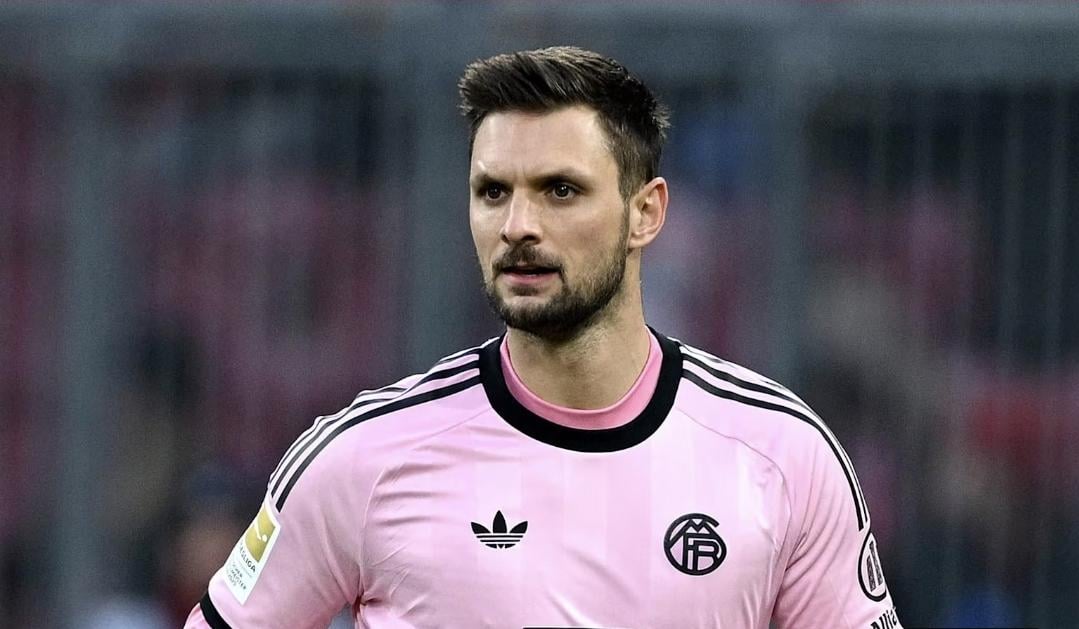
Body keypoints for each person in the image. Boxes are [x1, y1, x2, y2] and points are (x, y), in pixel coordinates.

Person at [185, 46, 902, 629]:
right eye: (493, 191)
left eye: (560, 190)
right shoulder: (362, 458)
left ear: (646, 213)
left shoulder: (780, 454)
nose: (517, 226)